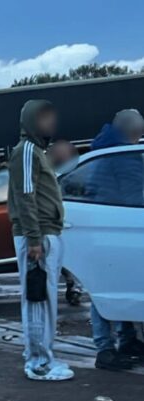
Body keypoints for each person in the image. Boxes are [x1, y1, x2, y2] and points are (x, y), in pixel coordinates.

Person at [7, 100, 74, 381]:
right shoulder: (26, 152)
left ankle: (41, 354)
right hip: (38, 237)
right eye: (44, 119)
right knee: (37, 299)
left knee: (44, 299)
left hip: (46, 234)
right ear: (32, 121)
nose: (50, 124)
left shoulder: (38, 152)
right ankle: (38, 363)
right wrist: (34, 239)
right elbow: (26, 196)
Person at [83, 109, 144, 370]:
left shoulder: (107, 150)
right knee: (107, 291)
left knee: (111, 287)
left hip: (102, 230)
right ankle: (106, 350)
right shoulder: (124, 157)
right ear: (135, 132)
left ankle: (124, 340)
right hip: (115, 230)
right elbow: (136, 197)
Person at [47, 139, 83, 305]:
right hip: (58, 224)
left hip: (69, 223)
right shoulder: (54, 175)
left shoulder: (73, 175)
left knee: (69, 257)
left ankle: (73, 286)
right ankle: (72, 286)